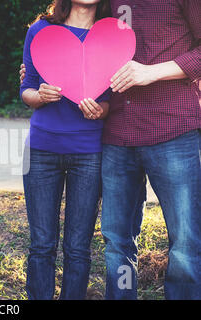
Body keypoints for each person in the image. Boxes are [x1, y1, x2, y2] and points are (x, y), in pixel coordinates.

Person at [20, 0, 201, 300]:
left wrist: (151, 72)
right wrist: (34, 80)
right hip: (116, 136)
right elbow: (62, 54)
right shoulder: (107, 7)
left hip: (172, 130)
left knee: (184, 242)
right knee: (117, 242)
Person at [20, 0, 112, 300]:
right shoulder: (41, 30)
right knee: (42, 244)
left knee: (77, 247)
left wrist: (101, 110)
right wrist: (40, 95)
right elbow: (26, 90)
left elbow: (111, 98)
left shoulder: (110, 37)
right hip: (42, 150)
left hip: (89, 153)